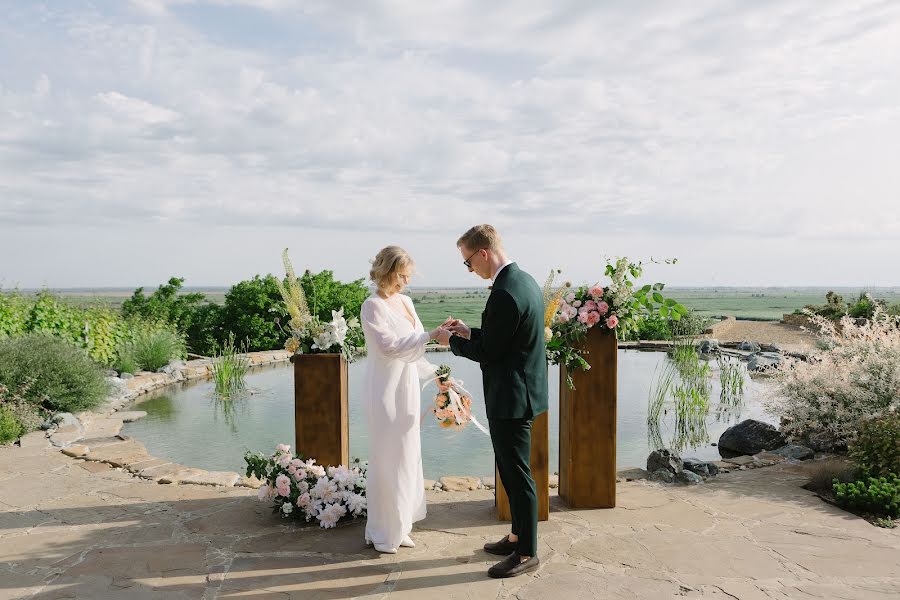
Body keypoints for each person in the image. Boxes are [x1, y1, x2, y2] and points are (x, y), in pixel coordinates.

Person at [445, 225, 548, 578]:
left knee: (518, 476)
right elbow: (504, 338)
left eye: (468, 262)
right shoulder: (524, 281)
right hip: (522, 391)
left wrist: (452, 343)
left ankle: (527, 553)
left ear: (483, 253)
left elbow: (490, 352)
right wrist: (468, 331)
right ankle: (517, 536)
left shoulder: (504, 292)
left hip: (512, 396)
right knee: (509, 469)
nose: (470, 270)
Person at [360, 246, 452, 554]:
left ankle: (402, 525)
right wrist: (431, 334)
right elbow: (389, 347)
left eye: (408, 276)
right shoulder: (372, 306)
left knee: (408, 455)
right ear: (386, 272)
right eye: (402, 275)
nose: (406, 282)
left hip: (408, 389)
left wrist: (438, 374)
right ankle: (383, 529)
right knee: (387, 457)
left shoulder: (407, 302)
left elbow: (414, 352)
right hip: (385, 391)